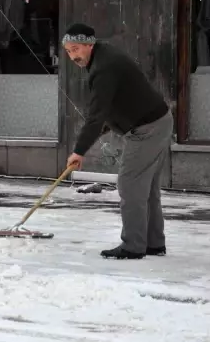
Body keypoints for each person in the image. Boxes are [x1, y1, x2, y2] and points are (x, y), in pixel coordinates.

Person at [63, 23, 173, 260]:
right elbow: (110, 108)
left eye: (76, 49)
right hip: (158, 121)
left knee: (130, 184)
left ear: (89, 44)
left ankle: (133, 246)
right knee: (147, 188)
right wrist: (100, 130)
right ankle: (153, 243)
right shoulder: (103, 57)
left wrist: (79, 151)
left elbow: (96, 115)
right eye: (69, 51)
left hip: (147, 129)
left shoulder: (104, 68)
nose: (73, 56)